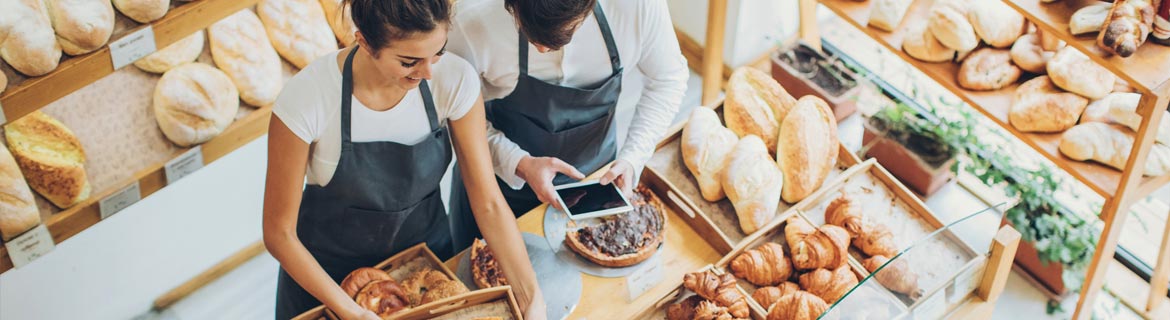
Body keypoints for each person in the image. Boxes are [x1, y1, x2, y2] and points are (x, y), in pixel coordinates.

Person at [262, 0, 545, 319]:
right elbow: (278, 233)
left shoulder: (453, 79)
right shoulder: (307, 98)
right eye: (409, 61)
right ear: (365, 42)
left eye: (438, 52)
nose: (427, 72)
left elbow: (489, 203)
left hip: (425, 269)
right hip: (326, 281)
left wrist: (530, 295)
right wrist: (351, 311)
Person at [446, 0, 689, 250]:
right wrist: (518, 163)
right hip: (496, 191)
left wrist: (633, 157)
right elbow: (454, 117)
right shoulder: (469, 21)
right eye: (528, 28)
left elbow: (668, 80)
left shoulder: (636, 5)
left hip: (597, 185)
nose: (542, 49)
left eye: (567, 29)